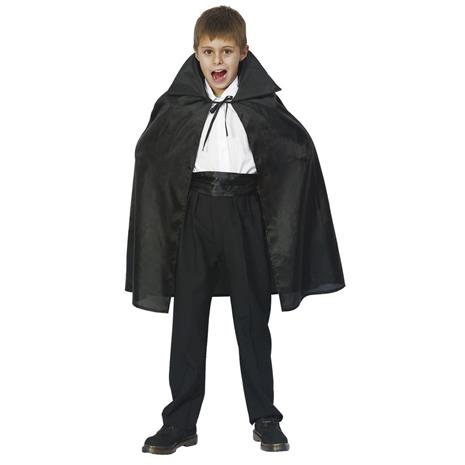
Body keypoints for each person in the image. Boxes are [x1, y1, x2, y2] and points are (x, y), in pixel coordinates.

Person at [126, 5, 345, 454]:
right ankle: (180, 421)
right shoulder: (178, 104)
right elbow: (152, 150)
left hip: (246, 213)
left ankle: (265, 417)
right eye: (209, 51)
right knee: (188, 320)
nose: (218, 60)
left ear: (244, 52)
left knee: (252, 318)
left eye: (227, 51)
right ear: (195, 54)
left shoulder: (262, 103)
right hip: (193, 213)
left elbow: (295, 147)